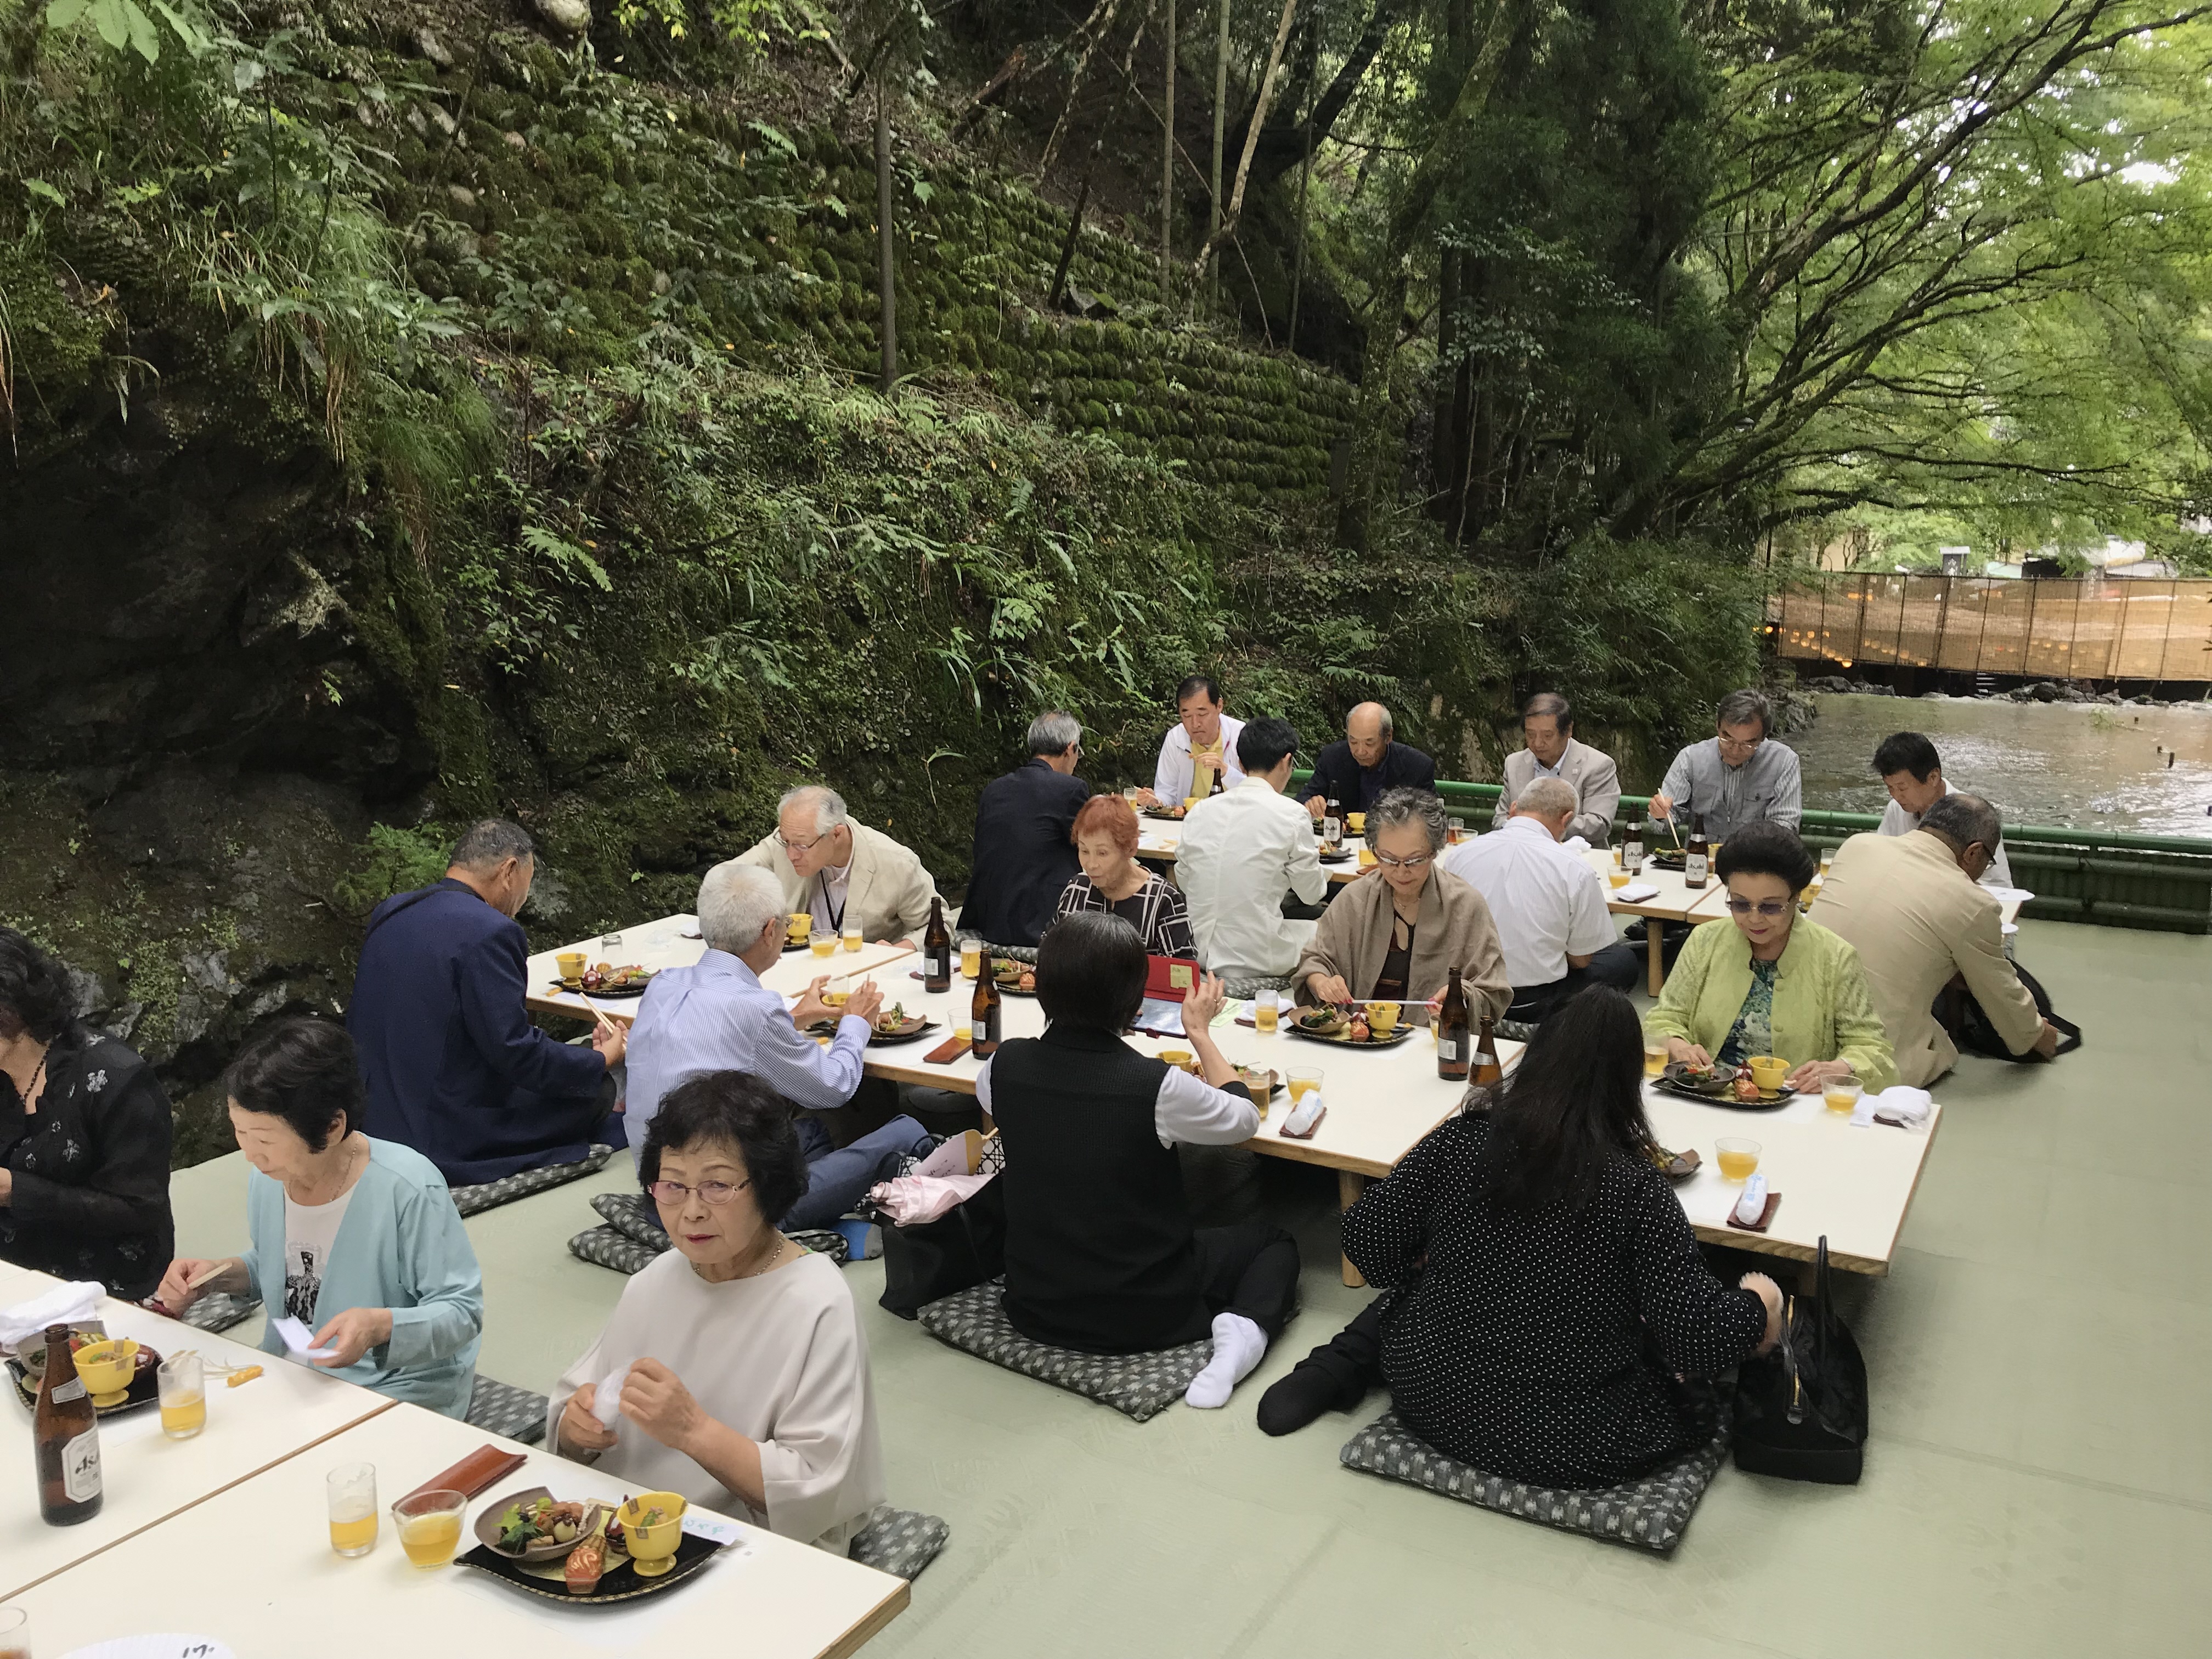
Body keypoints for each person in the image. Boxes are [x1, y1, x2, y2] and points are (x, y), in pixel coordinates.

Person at [1254, 990, 1783, 1482]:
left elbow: (1366, 1239)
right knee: (1671, 1356)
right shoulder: (1637, 1187)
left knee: (1425, 1291)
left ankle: (1337, 1364)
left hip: (1433, 1398)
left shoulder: (1460, 1140)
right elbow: (1696, 1339)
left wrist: (1418, 1265)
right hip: (1576, 1438)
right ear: (1628, 1081)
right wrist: (1761, 1304)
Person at [550, 1071, 885, 1553]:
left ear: (768, 1185)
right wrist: (574, 1428)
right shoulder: (656, 1280)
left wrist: (693, 1430)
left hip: (740, 1542)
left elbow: (817, 1486)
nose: (691, 1212)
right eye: (673, 1186)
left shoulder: (816, 1302)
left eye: (717, 1187)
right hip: (628, 1521)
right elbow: (580, 1401)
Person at [981, 913, 1299, 1409]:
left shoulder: (1004, 1065)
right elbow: (1242, 1119)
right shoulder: (1153, 1085)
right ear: (1134, 999)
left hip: (1036, 1304)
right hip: (1147, 1314)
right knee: (1273, 1242)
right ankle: (1242, 1338)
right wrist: (1200, 1033)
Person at [156, 1018, 483, 1417]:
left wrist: (379, 1327)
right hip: (293, 1366)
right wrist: (215, 1275)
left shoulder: (408, 1188)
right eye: (240, 1133)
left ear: (332, 1128)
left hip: (394, 1383)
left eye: (264, 1140)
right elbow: (286, 1268)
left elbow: (462, 1311)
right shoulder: (268, 1177)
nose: (250, 1154)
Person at [624, 864, 933, 1233]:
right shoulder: (755, 1008)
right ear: (771, 932)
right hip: (724, 1211)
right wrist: (856, 1022)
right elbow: (834, 1087)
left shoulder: (663, 985)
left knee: (815, 1133)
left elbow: (726, 1032)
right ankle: (805, 1224)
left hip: (657, 1190)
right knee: (907, 1131)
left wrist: (795, 1016)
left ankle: (836, 1205)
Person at [348, 818, 623, 1186]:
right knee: (596, 1090)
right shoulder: (490, 931)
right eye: (526, 886)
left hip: (371, 1116)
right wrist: (599, 1060)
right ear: (510, 871)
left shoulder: (392, 911)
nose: (522, 902)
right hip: (440, 1131)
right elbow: (513, 1051)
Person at [1812, 795, 2058, 1087]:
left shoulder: (1858, 845)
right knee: (1939, 1042)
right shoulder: (1972, 902)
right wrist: (2042, 1036)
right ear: (1974, 852)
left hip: (1798, 1030)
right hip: (1866, 1056)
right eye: (1987, 862)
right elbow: (2001, 993)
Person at [1644, 822, 1897, 1093]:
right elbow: (1664, 1017)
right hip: (1706, 1092)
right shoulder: (1705, 940)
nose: (1754, 918)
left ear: (1797, 896)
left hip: (1796, 1102)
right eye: (1740, 904)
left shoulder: (1836, 957)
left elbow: (1872, 1048)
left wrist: (1843, 1066)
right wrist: (1676, 1043)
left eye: (1771, 906)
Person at [0, 929, 174, 1299]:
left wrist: (16, 1191)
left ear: (12, 1013)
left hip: (107, 1288)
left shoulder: (114, 1076)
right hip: (14, 1282)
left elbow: (139, 1209)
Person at [1295, 788, 1510, 1024]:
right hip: (1358, 1038)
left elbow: (1493, 991)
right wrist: (1323, 983)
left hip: (1432, 1043)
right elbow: (1315, 960)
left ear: (1434, 851)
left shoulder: (1465, 905)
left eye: (1414, 860)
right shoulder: (1356, 898)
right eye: (1388, 859)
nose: (1401, 871)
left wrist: (1461, 999)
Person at [1441, 778, 1639, 1023]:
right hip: (1534, 1000)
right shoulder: (1575, 867)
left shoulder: (1459, 855)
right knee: (1623, 960)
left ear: (1514, 809)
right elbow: (1581, 960)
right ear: (1566, 820)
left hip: (1468, 990)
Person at [1175, 717, 1329, 988]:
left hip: (1199, 951)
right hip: (1257, 959)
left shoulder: (1200, 811)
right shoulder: (1292, 815)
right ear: (1287, 761)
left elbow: (1185, 881)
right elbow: (1311, 893)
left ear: (1242, 764)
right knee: (1326, 931)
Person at [732, 785, 943, 946]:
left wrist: (898, 951)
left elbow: (939, 924)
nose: (791, 854)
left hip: (869, 978)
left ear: (836, 834)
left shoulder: (896, 863)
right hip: (800, 964)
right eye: (786, 842)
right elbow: (725, 876)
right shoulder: (788, 839)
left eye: (802, 846)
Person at [960, 710, 1092, 948]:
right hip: (1039, 927)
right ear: (1070, 748)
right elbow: (1091, 849)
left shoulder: (994, 790)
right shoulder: (1071, 789)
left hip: (988, 921)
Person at [1648, 689, 1802, 842]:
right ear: (1717, 726)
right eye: (1727, 739)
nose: (1735, 751)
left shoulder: (1784, 762)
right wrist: (1661, 815)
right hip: (1700, 859)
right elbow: (1666, 823)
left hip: (1756, 861)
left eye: (1748, 744)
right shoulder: (1691, 758)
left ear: (1763, 738)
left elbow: (1785, 827)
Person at [1053, 795, 1197, 957]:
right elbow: (1051, 953)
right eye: (1084, 851)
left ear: (1130, 849)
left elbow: (1182, 971)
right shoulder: (1077, 889)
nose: (1091, 864)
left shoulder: (1162, 899)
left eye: (1102, 853)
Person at [1871, 731, 2015, 890]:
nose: (1895, 795)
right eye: (1890, 787)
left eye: (1902, 788)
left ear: (1933, 777)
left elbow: (2000, 886)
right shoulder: (1896, 808)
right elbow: (1881, 858)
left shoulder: (1974, 815)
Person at [1490, 693, 1622, 846]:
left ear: (1568, 730)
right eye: (1530, 734)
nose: (1537, 743)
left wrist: (1537, 824)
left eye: (1547, 735)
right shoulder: (1514, 763)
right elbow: (1500, 819)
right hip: (1523, 854)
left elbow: (1599, 823)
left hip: (1578, 858)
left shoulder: (1598, 765)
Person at [1302, 703, 1437, 819]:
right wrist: (1311, 802)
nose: (1360, 751)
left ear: (1388, 736)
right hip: (1343, 842)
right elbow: (1303, 798)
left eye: (1369, 743)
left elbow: (1433, 816)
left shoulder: (1417, 766)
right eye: (1353, 741)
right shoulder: (1332, 757)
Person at [1138, 676, 1246, 807]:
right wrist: (1156, 801)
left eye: (1202, 714)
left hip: (1233, 820)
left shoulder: (1241, 735)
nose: (1195, 724)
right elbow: (1167, 791)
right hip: (1187, 821)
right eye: (1187, 716)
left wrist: (1225, 771)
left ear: (1219, 706)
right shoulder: (1176, 738)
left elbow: (1260, 790)